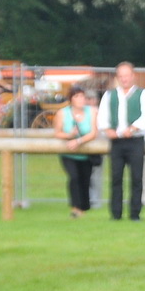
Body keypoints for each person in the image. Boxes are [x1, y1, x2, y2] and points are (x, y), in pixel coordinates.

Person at [98, 61, 145, 220]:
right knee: (116, 178)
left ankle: (135, 213)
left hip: (135, 141)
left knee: (136, 178)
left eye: (127, 76)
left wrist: (133, 128)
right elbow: (103, 116)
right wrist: (107, 130)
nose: (124, 79)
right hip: (116, 142)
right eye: (121, 76)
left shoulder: (143, 94)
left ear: (133, 76)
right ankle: (115, 214)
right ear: (117, 78)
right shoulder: (110, 95)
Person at [52, 86, 99, 217]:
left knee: (85, 180)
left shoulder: (92, 112)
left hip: (85, 153)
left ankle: (84, 207)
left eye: (82, 96)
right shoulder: (62, 113)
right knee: (74, 177)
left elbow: (94, 132)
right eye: (77, 96)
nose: (81, 99)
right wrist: (69, 136)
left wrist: (79, 141)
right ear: (71, 99)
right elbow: (57, 133)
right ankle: (75, 207)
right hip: (68, 153)